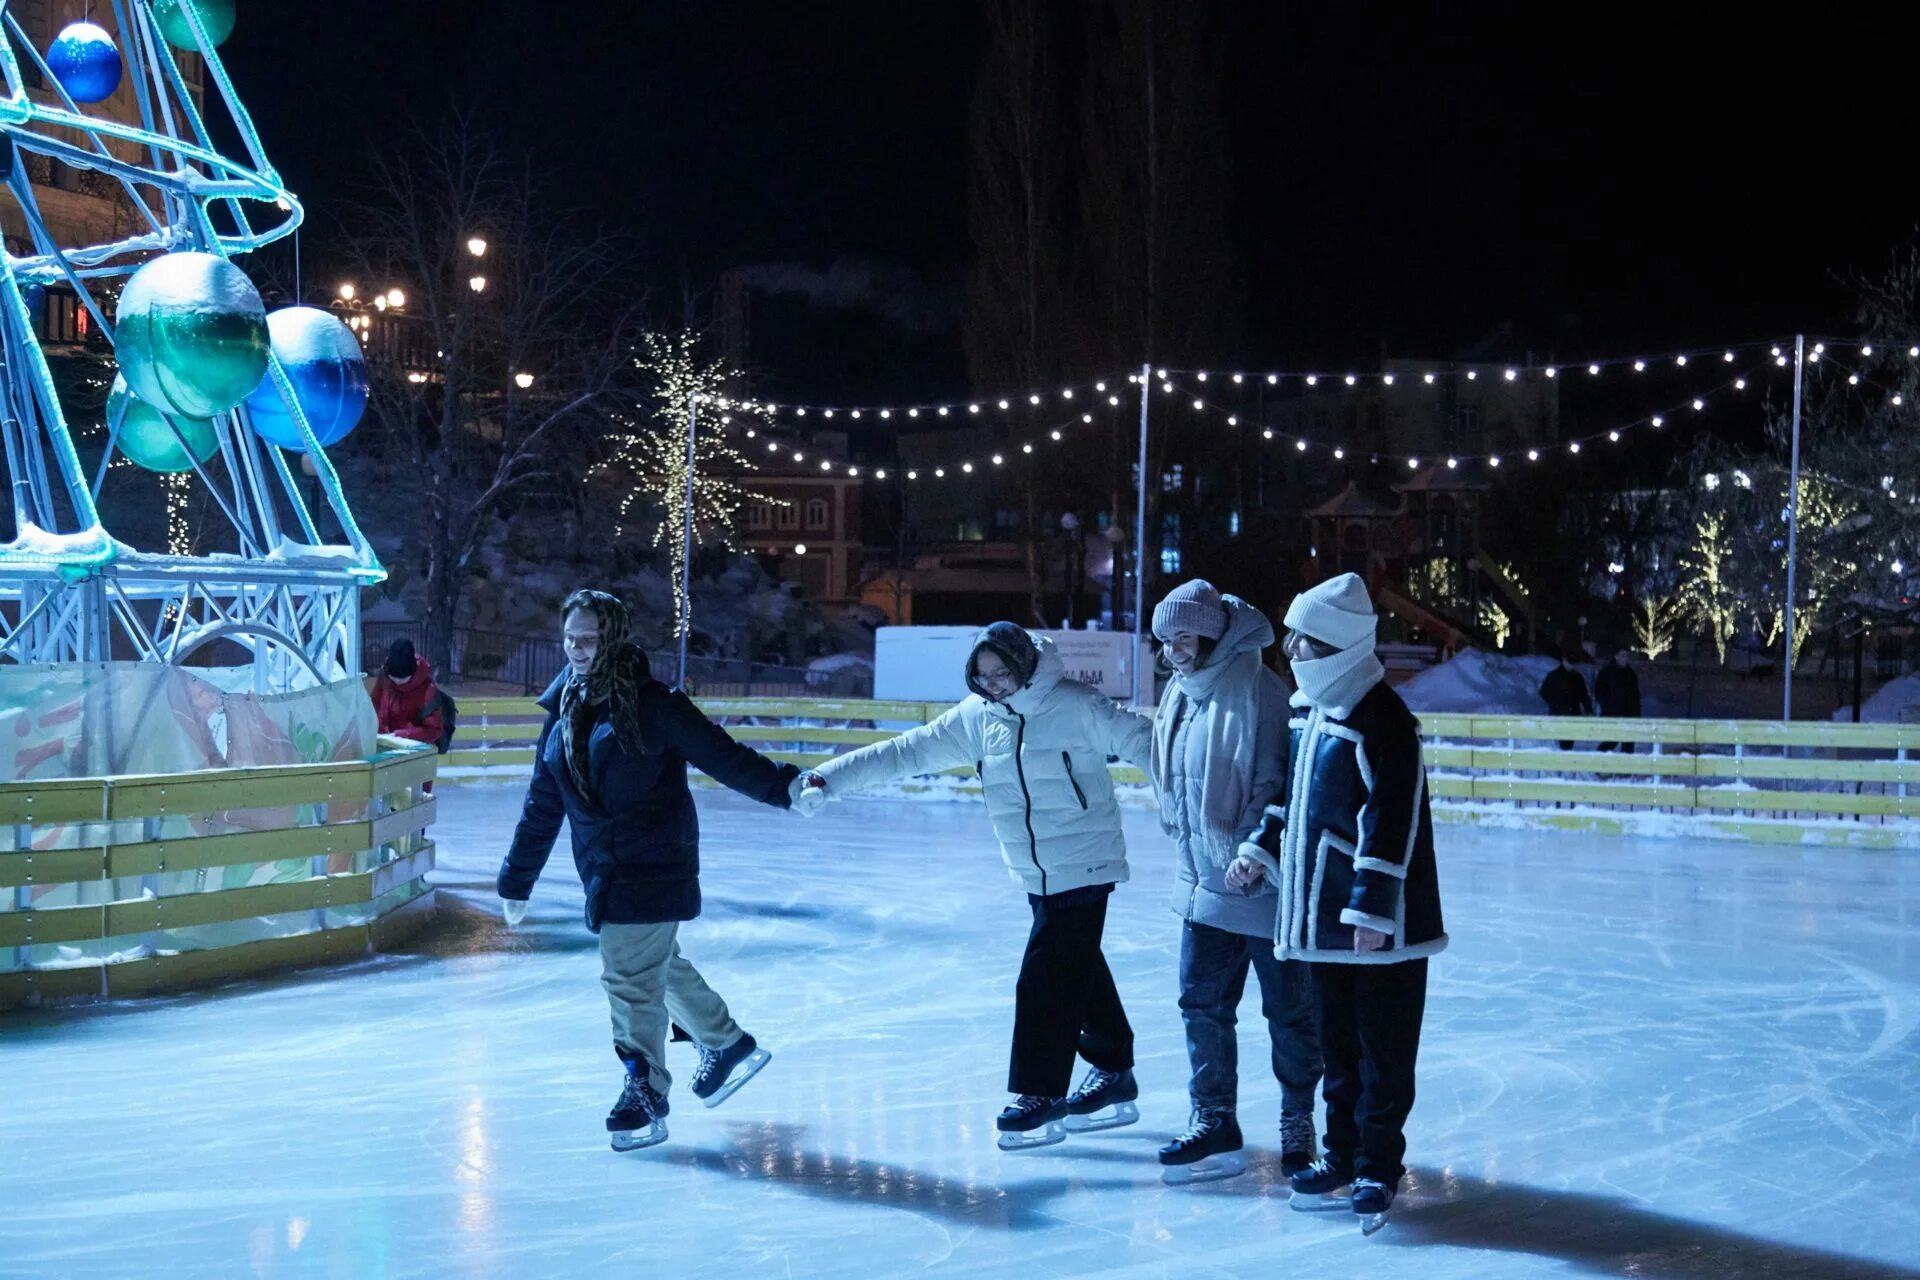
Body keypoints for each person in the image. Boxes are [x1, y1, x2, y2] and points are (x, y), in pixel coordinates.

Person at [796, 623, 1153, 1151]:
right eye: (982, 676)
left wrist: (1206, 800)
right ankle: (1113, 1068)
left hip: (1085, 859)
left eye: (1001, 674)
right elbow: (906, 752)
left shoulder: (1076, 704)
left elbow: (1144, 743)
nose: (993, 685)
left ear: (1024, 664)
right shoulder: (977, 717)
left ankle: (1038, 1091)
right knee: (1077, 965)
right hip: (1036, 867)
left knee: (1045, 976)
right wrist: (830, 776)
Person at [498, 590, 808, 1151]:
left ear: (614, 636)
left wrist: (786, 788)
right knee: (653, 961)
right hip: (603, 865)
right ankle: (726, 1042)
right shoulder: (565, 708)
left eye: (589, 637)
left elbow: (724, 756)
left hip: (654, 862)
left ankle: (646, 1088)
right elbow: (544, 801)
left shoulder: (654, 703)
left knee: (629, 975)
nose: (578, 648)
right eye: (570, 637)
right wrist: (516, 879)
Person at [1226, 573, 1447, 1233]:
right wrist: (1258, 851)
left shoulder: (1383, 718)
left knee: (1383, 1050)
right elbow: (1291, 803)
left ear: (1341, 648)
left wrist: (1373, 910)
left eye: (1305, 645)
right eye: (1292, 643)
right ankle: (1344, 1153)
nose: (1292, 655)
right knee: (1337, 1049)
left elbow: (1393, 818)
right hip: (1319, 920)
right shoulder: (1310, 713)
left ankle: (1380, 1163)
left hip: (1381, 927)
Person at [1148, 580, 1320, 1185]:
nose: (1174, 650)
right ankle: (1214, 1118)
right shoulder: (1180, 695)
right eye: (1166, 639)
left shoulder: (1262, 692)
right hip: (1202, 885)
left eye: (1185, 637)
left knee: (1290, 1016)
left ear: (1216, 633)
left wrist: (1252, 852)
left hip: (1262, 889)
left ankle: (1299, 1123)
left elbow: (1279, 784)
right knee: (1202, 1007)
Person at [370, 639, 445, 749]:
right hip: (382, 745)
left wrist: (402, 735)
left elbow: (434, 730)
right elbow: (373, 707)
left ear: (413, 673)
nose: (397, 682)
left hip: (412, 752)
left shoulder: (427, 690)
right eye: (393, 678)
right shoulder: (385, 678)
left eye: (403, 679)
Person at [1538, 644, 1593, 751]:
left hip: (1573, 714)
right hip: (1558, 714)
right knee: (1561, 741)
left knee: (1568, 742)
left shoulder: (1577, 677)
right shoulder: (1554, 676)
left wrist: (1588, 709)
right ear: (1564, 660)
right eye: (1570, 662)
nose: (1571, 665)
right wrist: (1555, 703)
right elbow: (1544, 692)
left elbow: (1583, 695)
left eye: (1573, 662)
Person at [1593, 646, 1642, 752]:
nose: (1625, 659)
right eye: (1622, 656)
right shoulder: (1606, 673)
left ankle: (1625, 767)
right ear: (1616, 656)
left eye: (1626, 656)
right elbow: (1599, 693)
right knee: (1611, 742)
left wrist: (1636, 714)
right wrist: (1608, 707)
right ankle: (1598, 764)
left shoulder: (1630, 674)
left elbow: (1635, 696)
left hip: (1629, 716)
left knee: (1628, 744)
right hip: (1612, 715)